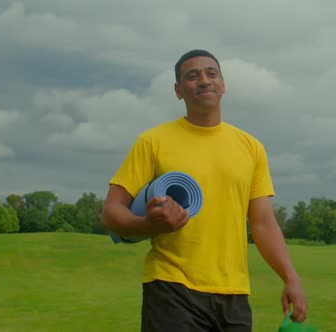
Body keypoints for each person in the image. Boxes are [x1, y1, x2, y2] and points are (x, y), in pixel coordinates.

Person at [101, 49, 307, 331]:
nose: (204, 80)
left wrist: (290, 277)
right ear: (178, 90)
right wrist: (146, 224)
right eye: (192, 76)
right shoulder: (153, 141)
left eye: (212, 73)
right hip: (171, 287)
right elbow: (111, 213)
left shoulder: (251, 147)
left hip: (234, 294)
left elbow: (262, 223)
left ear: (222, 84)